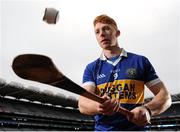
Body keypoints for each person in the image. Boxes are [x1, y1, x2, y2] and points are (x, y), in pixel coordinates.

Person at [78, 14, 172, 131]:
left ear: (117, 33)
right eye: (97, 32)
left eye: (106, 28)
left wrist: (148, 109)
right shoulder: (91, 68)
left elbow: (164, 96)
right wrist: (100, 106)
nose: (101, 34)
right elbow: (83, 103)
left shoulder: (140, 61)